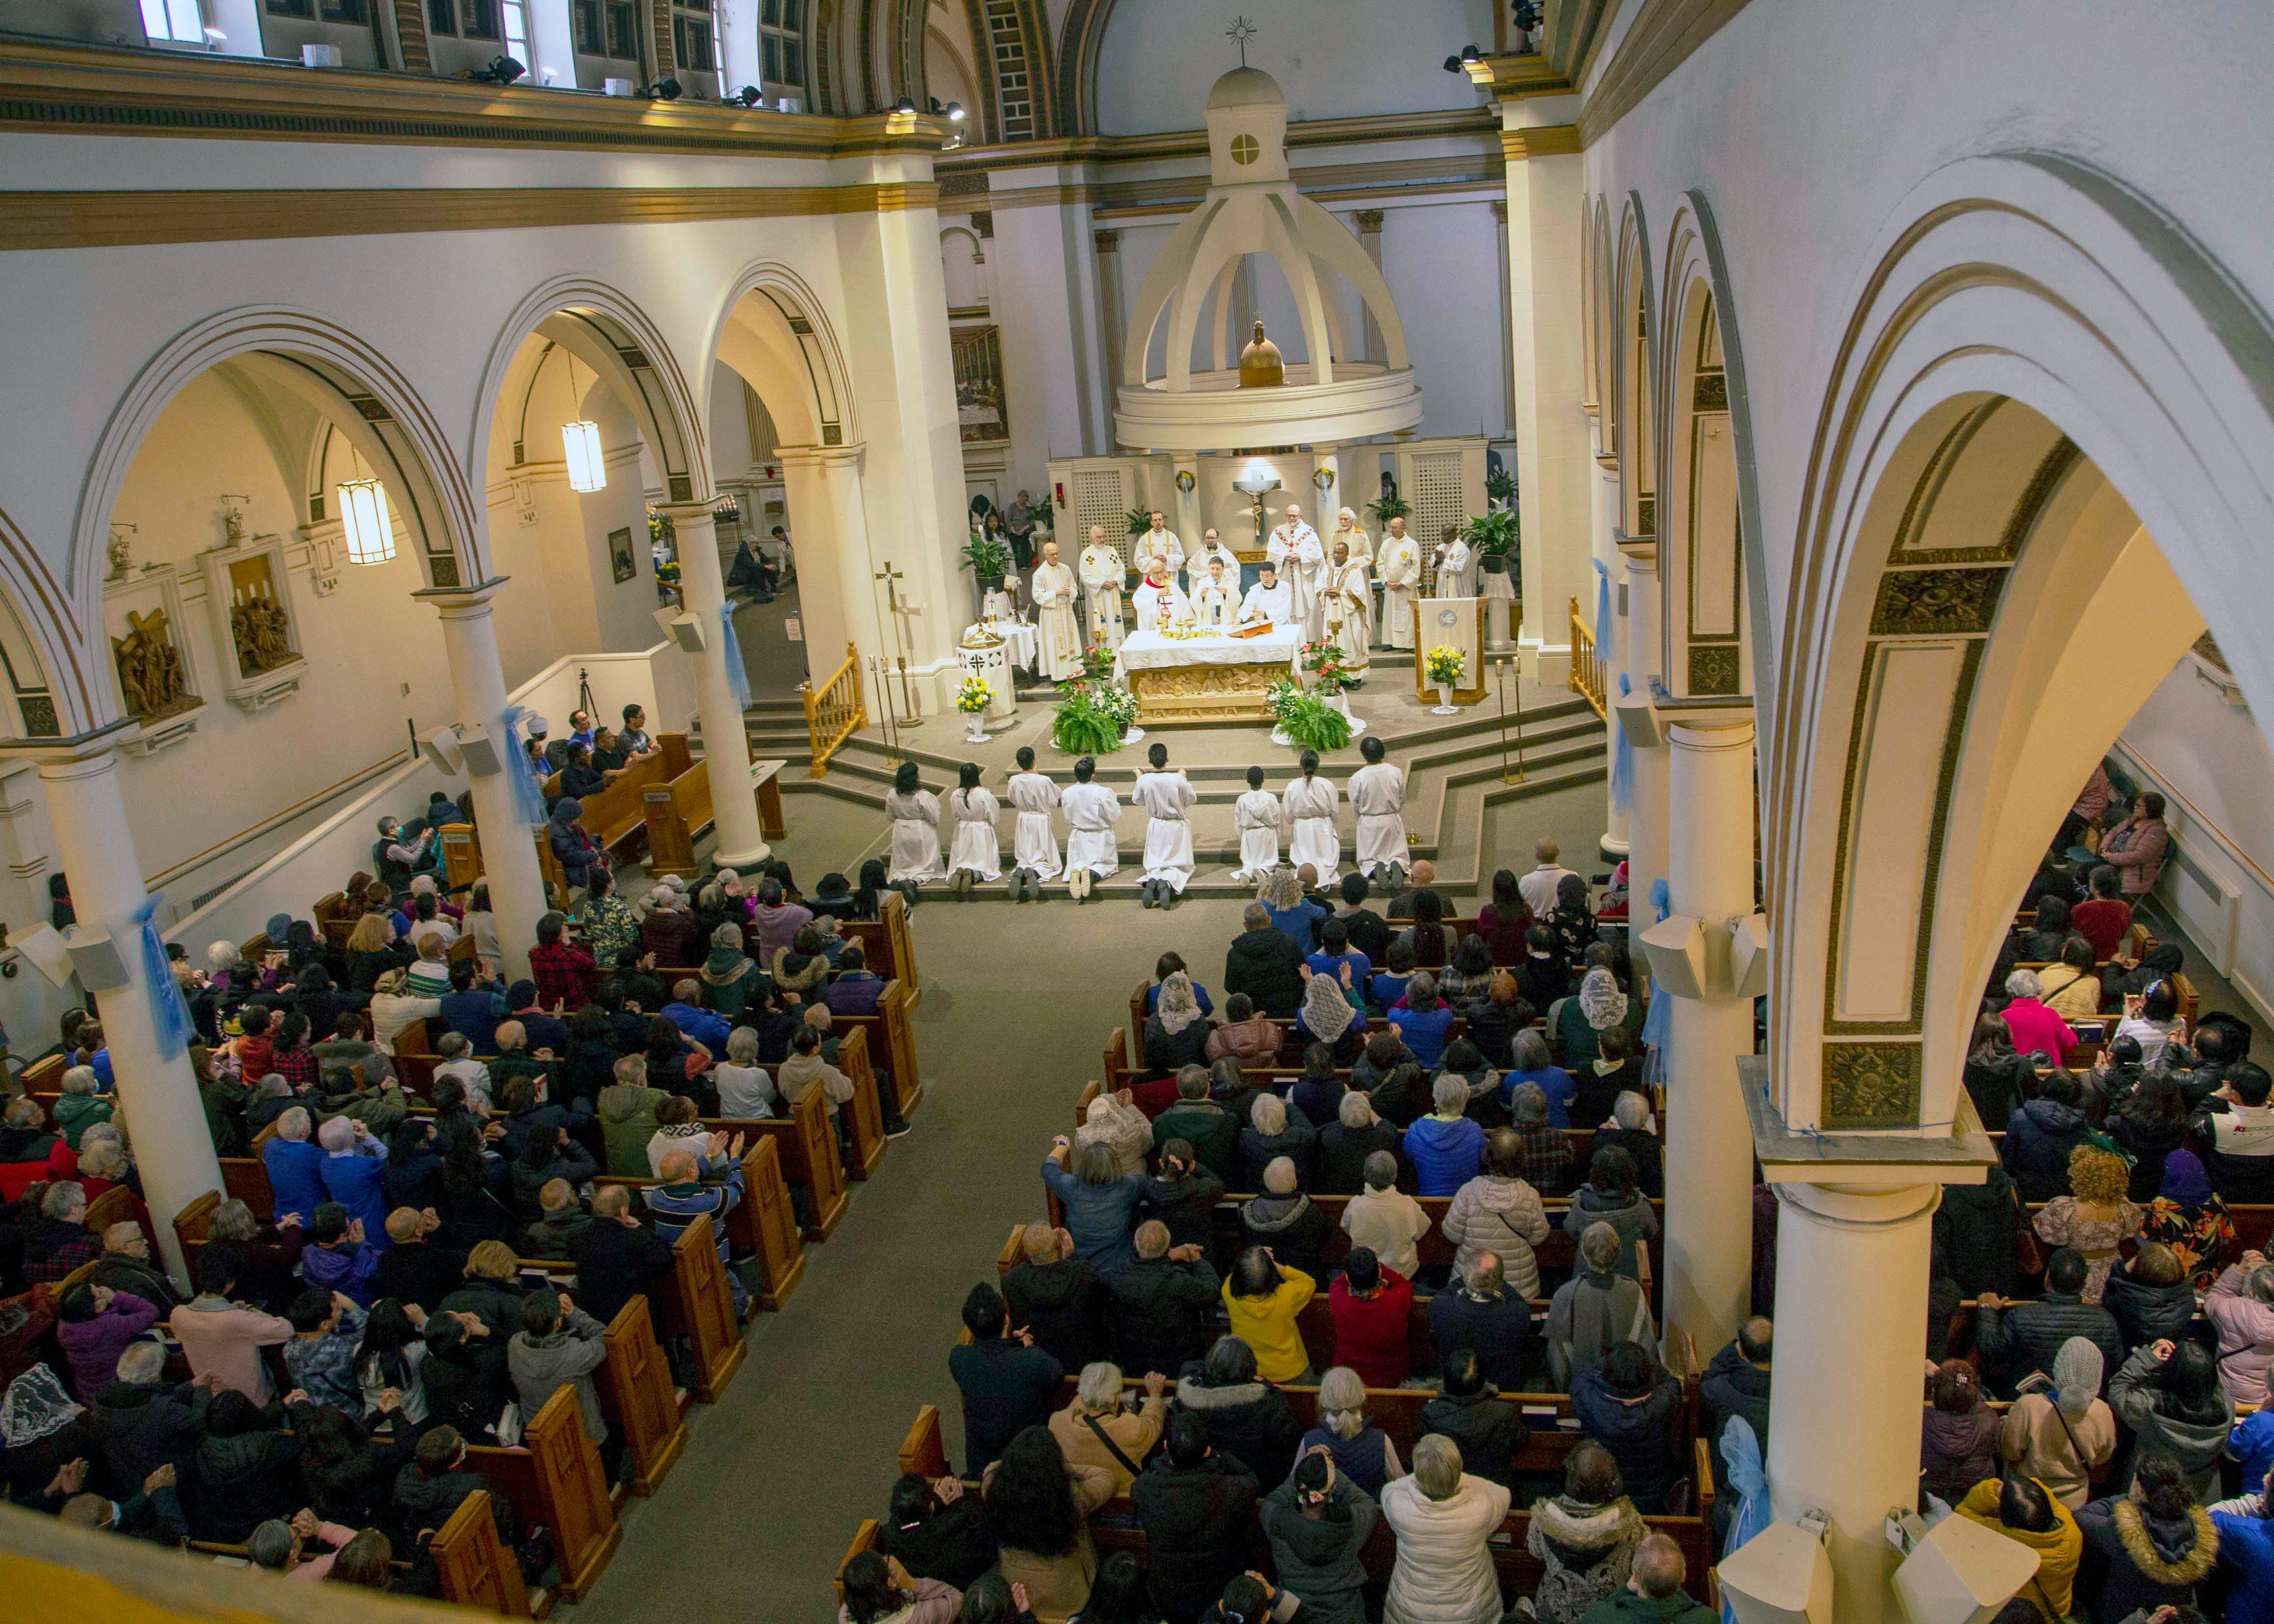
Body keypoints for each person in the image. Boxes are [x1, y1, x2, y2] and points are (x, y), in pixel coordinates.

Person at [1131, 1409, 1262, 1624]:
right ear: (1207, 1451)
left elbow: (1148, 1476)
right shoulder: (1228, 1490)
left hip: (1168, 1593)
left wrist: (1167, 1459)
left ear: (1166, 1447)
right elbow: (1251, 1480)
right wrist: (1219, 1457)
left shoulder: (1144, 1489)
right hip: (1218, 1590)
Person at [982, 1424, 1114, 1624]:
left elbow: (993, 1467)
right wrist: (1056, 1469)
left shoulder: (993, 1488)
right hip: (1067, 1591)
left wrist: (1021, 1466)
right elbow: (1106, 1476)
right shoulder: (1072, 1497)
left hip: (1016, 1587)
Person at [1380, 1433, 1510, 1624]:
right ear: (1458, 1472)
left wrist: (1420, 1478)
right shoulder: (1481, 1509)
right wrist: (1459, 1477)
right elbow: (1502, 1492)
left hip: (1413, 1609)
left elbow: (1391, 1487)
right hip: (1469, 1611)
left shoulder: (1397, 1506)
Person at [2076, 1453, 2222, 1617]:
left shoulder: (2127, 1530)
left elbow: (2082, 1516)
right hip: (2168, 1618)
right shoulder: (2199, 1530)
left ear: (2141, 1490)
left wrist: (2128, 1502)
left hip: (2124, 1616)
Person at [1977, 1247, 2125, 1395]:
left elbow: (1991, 1352)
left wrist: (1987, 1309)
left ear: (2047, 1279)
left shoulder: (2021, 1315)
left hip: (2029, 1402)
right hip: (2087, 1405)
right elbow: (2115, 1365)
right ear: (2084, 1284)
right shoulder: (2105, 1320)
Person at [1526, 1442, 1645, 1624]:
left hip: (1557, 1612)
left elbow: (1535, 1551)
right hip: (1608, 1614)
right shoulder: (1631, 1524)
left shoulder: (1544, 1520)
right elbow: (1641, 1562)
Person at [1260, 1445, 1378, 1624]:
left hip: (1293, 1613)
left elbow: (1274, 1500)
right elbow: (1366, 1503)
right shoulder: (1352, 1523)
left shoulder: (1275, 1518)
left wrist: (1307, 1468)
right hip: (1344, 1615)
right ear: (1333, 1488)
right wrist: (1328, 1469)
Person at [1998, 1335, 2116, 1508]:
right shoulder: (2103, 1411)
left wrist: (2008, 1423)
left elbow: (2010, 1452)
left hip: (2027, 1498)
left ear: (2060, 1367)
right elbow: (2102, 1458)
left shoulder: (2029, 1405)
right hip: (2075, 1502)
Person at [1571, 1341, 1683, 1512]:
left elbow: (1583, 1378)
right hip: (1652, 1498)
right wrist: (1646, 1360)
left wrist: (1607, 1362)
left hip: (1604, 1498)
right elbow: (1670, 1381)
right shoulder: (1661, 1404)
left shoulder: (1592, 1401)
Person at [1955, 1474, 2081, 1623]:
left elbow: (1961, 1515)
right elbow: (2047, 1496)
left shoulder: (1999, 1539)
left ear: (2007, 1516)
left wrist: (1994, 1490)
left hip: (2017, 1617)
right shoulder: (2070, 1528)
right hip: (2054, 1612)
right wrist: (2025, 1491)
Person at [1441, 1128, 1551, 1298]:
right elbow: (1538, 1237)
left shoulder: (1468, 1191)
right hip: (1517, 1287)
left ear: (1488, 1157)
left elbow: (1452, 1234)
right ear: (1521, 1159)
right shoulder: (1530, 1195)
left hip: (1472, 1281)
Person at [1547, 1224, 1655, 1389]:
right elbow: (1646, 1345)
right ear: (1618, 1253)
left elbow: (1558, 1356)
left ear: (1584, 1254)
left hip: (1582, 1390)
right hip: (1626, 1387)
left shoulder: (1565, 1293)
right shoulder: (1634, 1291)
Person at [1005, 1225, 1105, 1375]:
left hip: (1040, 1363)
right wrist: (1070, 1258)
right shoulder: (1083, 1274)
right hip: (1084, 1360)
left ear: (1026, 1252)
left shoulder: (1011, 1281)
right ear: (1057, 1246)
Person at [878, 1472, 998, 1594]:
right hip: (963, 1590)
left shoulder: (887, 1539)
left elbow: (916, 1526)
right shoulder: (960, 1533)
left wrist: (940, 1503)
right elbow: (990, 1548)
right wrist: (960, 1504)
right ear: (931, 1506)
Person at [1042, 1137, 1147, 1275]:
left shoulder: (1070, 1186)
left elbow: (1048, 1168)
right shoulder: (1131, 1186)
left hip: (1080, 1268)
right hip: (1118, 1269)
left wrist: (1063, 1144)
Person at [1221, 1246, 1315, 1386]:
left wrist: (1255, 1261)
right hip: (1291, 1371)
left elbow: (1235, 1276)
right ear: (1272, 1274)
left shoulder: (1228, 1291)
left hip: (1251, 1373)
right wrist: (1279, 1268)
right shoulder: (1288, 1295)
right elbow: (1309, 1282)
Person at [1563, 1146, 1657, 1280]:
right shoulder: (1639, 1205)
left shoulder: (1582, 1202)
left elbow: (1570, 1230)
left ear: (1595, 1173)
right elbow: (1652, 1232)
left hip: (1588, 1277)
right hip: (1628, 1280)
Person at [1327, 1252, 1414, 1390]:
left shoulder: (1338, 1298)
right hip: (1392, 1375)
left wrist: (1357, 1272)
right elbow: (1404, 1283)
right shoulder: (1396, 1299)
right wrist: (1379, 1269)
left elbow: (1338, 1282)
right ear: (1378, 1274)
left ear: (1349, 1279)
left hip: (1349, 1374)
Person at [2004, 1069, 2092, 1201]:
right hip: (2067, 1194)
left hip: (2025, 1191)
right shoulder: (2081, 1124)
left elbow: (2008, 1159)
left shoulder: (2020, 1118)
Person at [1340, 1149, 1428, 1277]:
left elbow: (1346, 1228)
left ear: (1365, 1175)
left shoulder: (1356, 1205)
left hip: (1366, 1272)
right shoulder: (1408, 1204)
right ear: (1395, 1176)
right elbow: (1421, 1230)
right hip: (1400, 1271)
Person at [1131, 743, 1198, 909]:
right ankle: (1167, 882)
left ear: (1150, 761)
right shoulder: (1176, 779)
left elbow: (1137, 800)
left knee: (1157, 862)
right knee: (1178, 866)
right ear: (1166, 758)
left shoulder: (1145, 780)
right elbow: (1192, 798)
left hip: (1157, 825)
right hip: (1176, 826)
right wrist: (1183, 778)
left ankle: (1153, 879)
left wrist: (1140, 778)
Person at [2205, 1254, 2274, 1406]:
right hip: (2270, 1401)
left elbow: (2214, 1297)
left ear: (2251, 1293)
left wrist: (2240, 1270)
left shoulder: (2233, 1309)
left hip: (2229, 1398)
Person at [1406, 1074, 1486, 1197]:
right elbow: (1483, 1160)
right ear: (1464, 1100)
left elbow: (1409, 1156)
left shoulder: (1416, 1130)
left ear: (1436, 1099)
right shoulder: (1475, 1131)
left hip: (1428, 1202)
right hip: (1466, 1205)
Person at [1224, 901, 1306, 1019]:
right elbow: (1302, 976)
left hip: (1254, 1015)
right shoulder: (1289, 944)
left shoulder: (1235, 953)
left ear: (1246, 925)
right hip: (1288, 1012)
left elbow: (1230, 986)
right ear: (1269, 920)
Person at [838, 1550, 962, 1624]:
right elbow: (956, 1598)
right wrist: (913, 1584)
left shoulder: (844, 1616)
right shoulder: (920, 1617)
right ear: (889, 1583)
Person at [1060, 757, 1121, 900]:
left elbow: (1067, 816)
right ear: (1093, 774)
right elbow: (1114, 815)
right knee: (1105, 865)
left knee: (1079, 862)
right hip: (1100, 837)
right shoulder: (1103, 792)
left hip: (1079, 837)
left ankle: (1079, 870)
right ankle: (1090, 875)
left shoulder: (1067, 792)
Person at [1007, 747, 1064, 897]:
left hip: (1024, 818)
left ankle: (1023, 870)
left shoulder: (1014, 780)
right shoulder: (1043, 780)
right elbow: (1055, 798)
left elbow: (1012, 798)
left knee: (1026, 854)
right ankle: (1035, 872)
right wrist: (1037, 776)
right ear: (1033, 762)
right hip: (1041, 819)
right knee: (1044, 858)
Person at [944, 762, 1003, 896]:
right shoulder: (983, 794)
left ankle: (960, 870)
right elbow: (993, 815)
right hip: (980, 829)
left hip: (963, 829)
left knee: (964, 857)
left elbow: (955, 815)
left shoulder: (955, 794)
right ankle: (973, 874)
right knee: (984, 864)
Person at [1030, 540, 1085, 682]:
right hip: (1051, 613)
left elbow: (1074, 587)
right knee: (1054, 643)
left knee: (1070, 641)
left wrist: (1069, 592)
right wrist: (1056, 592)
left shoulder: (1065, 569)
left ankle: (1074, 670)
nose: (1055, 557)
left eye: (1057, 553)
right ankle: (1058, 674)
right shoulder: (1040, 574)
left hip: (1066, 610)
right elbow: (1038, 596)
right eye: (1052, 554)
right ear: (1045, 555)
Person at [887, 761, 947, 890]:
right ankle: (915, 881)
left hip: (901, 831)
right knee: (925, 865)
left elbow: (890, 815)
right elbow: (934, 817)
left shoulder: (892, 794)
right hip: (921, 830)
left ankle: (900, 878)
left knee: (903, 864)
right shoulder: (923, 796)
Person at [1556, 966, 1627, 1073]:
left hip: (1578, 1070)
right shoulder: (1632, 1005)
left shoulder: (1569, 1005)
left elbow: (1559, 1042)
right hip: (1622, 1070)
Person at [2002, 969, 2081, 1064]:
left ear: (2012, 992)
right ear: (2037, 990)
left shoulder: (2004, 1017)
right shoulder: (2051, 1014)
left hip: (2019, 1075)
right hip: (2049, 1075)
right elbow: (2071, 1044)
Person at [1282, 753, 1340, 884]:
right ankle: (1325, 876)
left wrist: (1294, 820)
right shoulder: (1327, 784)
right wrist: (1331, 820)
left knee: (1304, 859)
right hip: (1323, 825)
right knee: (1326, 858)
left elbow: (1288, 813)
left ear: (1301, 766)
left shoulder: (1292, 786)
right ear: (1317, 765)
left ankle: (1306, 877)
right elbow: (1334, 810)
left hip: (1302, 827)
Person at [2102, 791, 2172, 897]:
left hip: (2129, 870)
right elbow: (2112, 833)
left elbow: (2140, 856)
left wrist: (2112, 857)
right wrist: (2104, 849)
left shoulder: (2157, 831)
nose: (2135, 807)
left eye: (2139, 805)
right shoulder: (2133, 820)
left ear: (2151, 809)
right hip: (2111, 859)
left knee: (2093, 872)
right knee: (2089, 869)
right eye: (2136, 804)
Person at [1228, 766, 1283, 884]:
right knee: (1268, 861)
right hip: (1267, 833)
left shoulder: (1242, 799)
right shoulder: (1271, 798)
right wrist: (1277, 835)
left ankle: (1247, 873)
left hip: (1249, 834)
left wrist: (1242, 835)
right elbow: (1277, 818)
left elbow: (1238, 821)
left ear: (1248, 781)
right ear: (1263, 780)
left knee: (1249, 861)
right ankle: (1264, 871)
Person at [2072, 863, 2136, 961]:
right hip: (2112, 957)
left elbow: (2074, 932)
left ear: (2097, 890)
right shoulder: (2125, 907)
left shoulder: (2081, 909)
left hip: (2083, 956)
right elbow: (2122, 934)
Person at [1078, 526, 1128, 652]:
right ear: (1092, 538)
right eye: (1098, 537)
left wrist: (1115, 581)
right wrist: (1101, 584)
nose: (1102, 540)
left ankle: (1117, 650)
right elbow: (1084, 577)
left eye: (1103, 537)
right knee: (1100, 623)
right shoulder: (1086, 554)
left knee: (1114, 622)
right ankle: (1101, 652)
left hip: (1112, 593)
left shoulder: (1111, 550)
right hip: (1098, 594)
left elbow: (1121, 569)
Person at [1238, 559, 1295, 628]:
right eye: (1262, 576)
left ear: (1274, 575)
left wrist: (1264, 613)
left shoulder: (1285, 587)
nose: (1265, 579)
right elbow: (1247, 607)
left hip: (1282, 624)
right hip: (1262, 624)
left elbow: (1285, 609)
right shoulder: (1255, 589)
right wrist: (1239, 619)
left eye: (1268, 576)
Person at [1191, 554, 1238, 631]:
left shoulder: (1230, 582)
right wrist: (1201, 596)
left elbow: (1238, 599)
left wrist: (1227, 593)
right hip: (1208, 620)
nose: (1215, 572)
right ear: (1209, 569)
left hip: (1225, 620)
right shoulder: (1203, 583)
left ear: (1223, 569)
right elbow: (1193, 601)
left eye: (1218, 569)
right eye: (1212, 569)